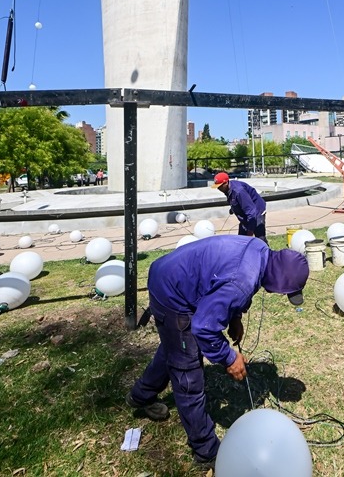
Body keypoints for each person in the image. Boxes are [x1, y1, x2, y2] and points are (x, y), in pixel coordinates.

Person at [126, 235, 309, 470]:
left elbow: (224, 279)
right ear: (277, 284)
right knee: (187, 370)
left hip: (174, 275)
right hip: (171, 292)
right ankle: (206, 450)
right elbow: (203, 327)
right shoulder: (241, 283)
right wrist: (229, 358)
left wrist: (235, 318)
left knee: (176, 346)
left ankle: (141, 395)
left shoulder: (261, 250)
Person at [212, 171, 267, 243]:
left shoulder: (239, 191)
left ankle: (267, 253)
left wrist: (250, 231)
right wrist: (233, 209)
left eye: (220, 186)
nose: (218, 189)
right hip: (247, 214)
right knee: (241, 240)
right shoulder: (228, 189)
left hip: (256, 212)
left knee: (260, 241)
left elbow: (251, 212)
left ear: (226, 183)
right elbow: (236, 201)